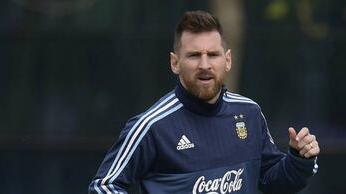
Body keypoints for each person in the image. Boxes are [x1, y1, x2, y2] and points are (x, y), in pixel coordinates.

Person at [89, 10, 320, 194]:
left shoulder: (248, 113)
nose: (204, 65)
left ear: (227, 60)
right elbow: (104, 186)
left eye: (213, 54)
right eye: (193, 55)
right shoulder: (152, 126)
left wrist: (299, 159)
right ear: (174, 63)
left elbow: (272, 181)